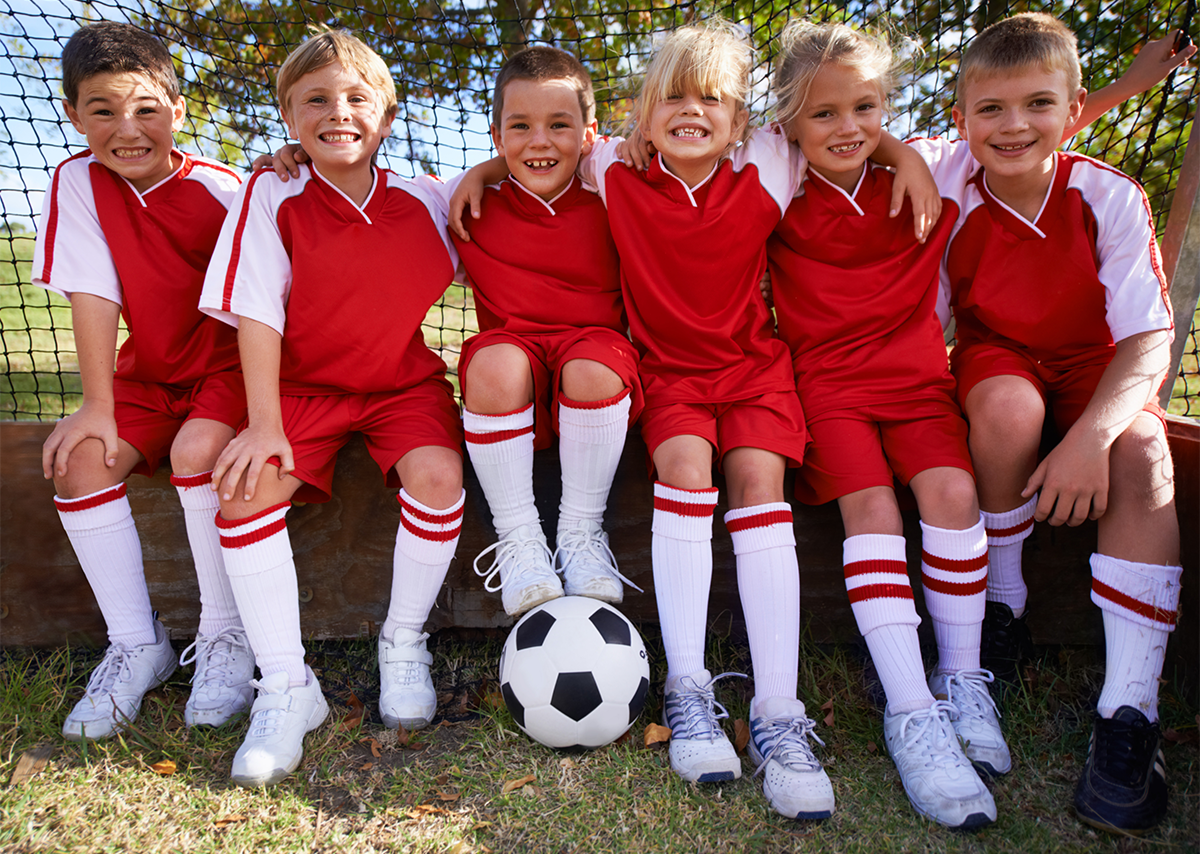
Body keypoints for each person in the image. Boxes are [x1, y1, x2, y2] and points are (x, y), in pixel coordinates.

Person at [454, 17, 938, 820]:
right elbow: (548, 147)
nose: (692, 111)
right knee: (682, 466)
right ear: (641, 118)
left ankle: (780, 716)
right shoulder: (613, 170)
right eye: (672, 97)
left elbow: (845, 126)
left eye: (713, 99)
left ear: (744, 120)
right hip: (669, 374)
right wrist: (478, 166)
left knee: (758, 479)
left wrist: (906, 154)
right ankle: (687, 689)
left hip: (754, 367)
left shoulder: (773, 164)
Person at [916, 12, 1188, 835]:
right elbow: (851, 137)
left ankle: (1129, 715)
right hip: (1000, 360)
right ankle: (1003, 608)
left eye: (1040, 106)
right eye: (988, 111)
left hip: (1098, 366)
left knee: (1144, 451)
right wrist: (1129, 85)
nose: (1013, 126)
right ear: (960, 122)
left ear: (1071, 114)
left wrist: (1090, 440)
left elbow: (1148, 341)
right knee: (1005, 408)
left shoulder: (1109, 194)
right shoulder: (945, 177)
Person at [199, 29, 465, 787]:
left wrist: (479, 171)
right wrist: (263, 423)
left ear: (385, 117)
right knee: (243, 489)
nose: (337, 112)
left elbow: (501, 182)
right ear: (288, 115)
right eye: (315, 99)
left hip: (400, 387)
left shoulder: (427, 199)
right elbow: (257, 314)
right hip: (298, 389)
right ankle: (287, 686)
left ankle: (403, 640)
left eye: (356, 99)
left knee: (440, 479)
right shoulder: (272, 192)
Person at [765, 19, 999, 830]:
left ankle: (964, 681)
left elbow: (1030, 124)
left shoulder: (932, 163)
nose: (848, 128)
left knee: (953, 493)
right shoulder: (775, 172)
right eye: (823, 113)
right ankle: (911, 713)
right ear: (789, 121)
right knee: (872, 512)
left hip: (916, 381)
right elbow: (685, 132)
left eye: (866, 108)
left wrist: (901, 152)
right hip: (826, 387)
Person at [32, 20, 252, 741]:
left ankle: (225, 639)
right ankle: (138, 643)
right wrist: (97, 406)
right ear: (73, 115)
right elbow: (92, 292)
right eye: (102, 110)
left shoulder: (225, 190)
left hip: (224, 374)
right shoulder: (77, 180)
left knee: (196, 455)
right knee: (80, 462)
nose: (126, 129)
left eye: (145, 109)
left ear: (178, 112)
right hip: (148, 377)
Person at [449, 46, 644, 617]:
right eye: (521, 126)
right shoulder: (464, 204)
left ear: (588, 134)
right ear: (495, 134)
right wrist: (289, 159)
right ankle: (520, 540)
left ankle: (582, 535)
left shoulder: (614, 192)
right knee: (491, 363)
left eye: (559, 125)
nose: (540, 141)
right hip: (516, 355)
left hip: (595, 349)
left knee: (592, 367)